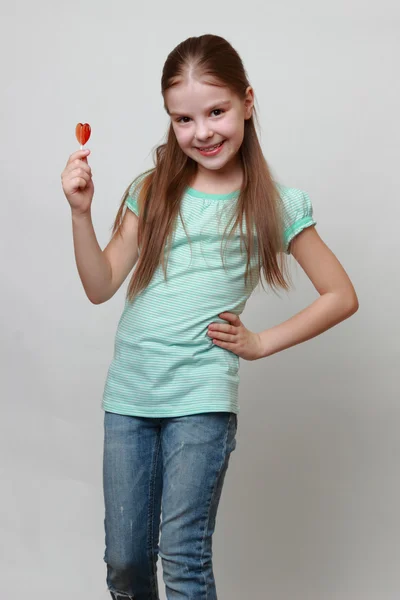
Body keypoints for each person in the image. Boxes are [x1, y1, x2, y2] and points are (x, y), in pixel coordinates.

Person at [61, 33, 358, 600]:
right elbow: (100, 286)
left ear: (248, 101)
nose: (202, 132)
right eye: (183, 119)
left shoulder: (275, 203)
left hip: (201, 400)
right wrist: (81, 215)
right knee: (124, 562)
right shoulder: (152, 191)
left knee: (184, 558)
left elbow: (340, 294)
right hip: (129, 396)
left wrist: (261, 342)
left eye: (216, 111)